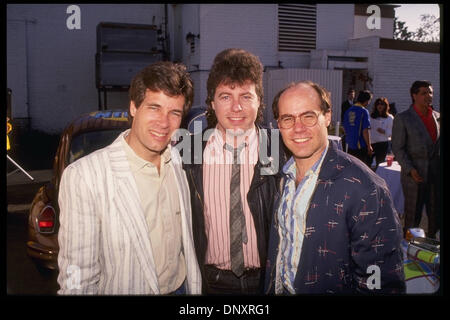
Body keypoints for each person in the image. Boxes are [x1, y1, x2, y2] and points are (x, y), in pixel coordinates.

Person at [57, 61, 201, 294]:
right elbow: (77, 276)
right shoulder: (85, 176)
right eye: (154, 108)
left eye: (174, 112)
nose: (164, 123)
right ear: (133, 107)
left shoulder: (177, 160)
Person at [265, 81, 405, 294]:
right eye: (288, 119)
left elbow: (381, 281)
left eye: (308, 116)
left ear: (327, 117)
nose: (298, 128)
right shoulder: (281, 176)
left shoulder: (365, 188)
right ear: (278, 124)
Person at [182, 48, 283, 294]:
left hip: (266, 282)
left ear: (259, 100)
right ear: (212, 103)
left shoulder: (280, 149)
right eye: (226, 96)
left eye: (246, 96)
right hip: (211, 282)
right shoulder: (189, 150)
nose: (236, 107)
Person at [392, 80, 440, 238]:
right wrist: (410, 169)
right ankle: (406, 251)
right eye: (424, 93)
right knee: (413, 217)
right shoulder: (403, 118)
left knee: (435, 216)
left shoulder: (438, 117)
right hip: (414, 176)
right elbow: (398, 148)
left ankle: (432, 248)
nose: (429, 96)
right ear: (414, 95)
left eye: (430, 92)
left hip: (435, 176)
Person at [343, 90, 374, 167]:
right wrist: (369, 146)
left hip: (350, 145)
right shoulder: (364, 111)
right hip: (360, 146)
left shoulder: (348, 110)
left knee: (351, 168)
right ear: (367, 101)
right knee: (361, 170)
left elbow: (344, 127)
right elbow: (365, 131)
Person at [369, 97, 394, 171]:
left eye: (382, 104)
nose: (380, 106)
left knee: (380, 164)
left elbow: (392, 133)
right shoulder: (371, 117)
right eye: (378, 104)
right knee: (368, 163)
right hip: (371, 143)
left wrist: (384, 131)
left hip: (382, 144)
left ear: (385, 106)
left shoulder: (389, 118)